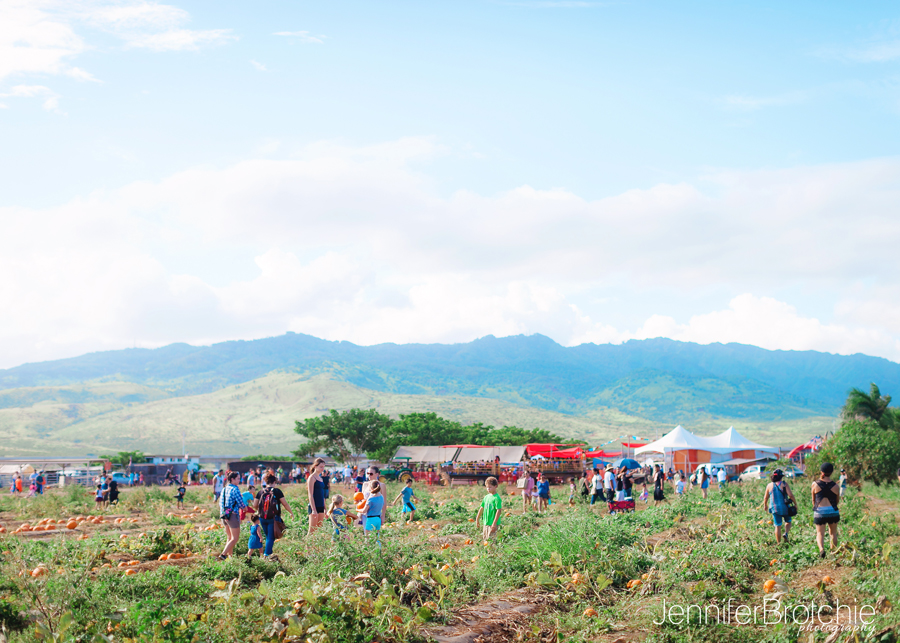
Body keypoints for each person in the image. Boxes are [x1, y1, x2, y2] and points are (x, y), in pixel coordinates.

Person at [255, 473, 294, 561]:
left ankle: (270, 555)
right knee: (271, 538)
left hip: (262, 518)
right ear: (274, 482)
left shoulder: (260, 492)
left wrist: (262, 510)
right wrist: (291, 512)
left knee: (268, 537)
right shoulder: (277, 491)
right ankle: (266, 556)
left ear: (266, 482)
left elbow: (255, 505)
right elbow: (285, 504)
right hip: (273, 518)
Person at [812, 462, 840, 558]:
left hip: (820, 511)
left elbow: (813, 500)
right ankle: (833, 553)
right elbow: (837, 501)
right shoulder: (836, 486)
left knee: (820, 533)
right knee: (833, 533)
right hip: (833, 511)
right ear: (831, 472)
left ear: (821, 472)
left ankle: (821, 550)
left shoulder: (815, 484)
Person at [761, 469, 797, 545]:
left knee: (777, 526)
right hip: (785, 508)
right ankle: (786, 533)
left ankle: (778, 543)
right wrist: (795, 504)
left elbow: (766, 497)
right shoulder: (784, 484)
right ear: (781, 477)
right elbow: (790, 495)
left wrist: (765, 505)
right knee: (788, 521)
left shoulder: (769, 485)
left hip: (774, 508)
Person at [217, 471, 246, 560]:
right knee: (235, 538)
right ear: (232, 479)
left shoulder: (224, 489)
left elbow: (220, 503)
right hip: (232, 516)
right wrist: (245, 508)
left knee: (229, 537)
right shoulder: (235, 489)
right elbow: (241, 503)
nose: (239, 480)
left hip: (224, 515)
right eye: (238, 479)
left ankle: (230, 558)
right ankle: (223, 554)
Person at [475, 476, 502, 542]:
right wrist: (477, 519)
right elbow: (482, 508)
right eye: (487, 487)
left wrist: (494, 524)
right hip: (486, 523)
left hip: (492, 524)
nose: (488, 489)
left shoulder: (497, 498)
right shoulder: (486, 497)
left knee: (491, 541)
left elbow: (499, 511)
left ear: (495, 486)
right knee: (485, 540)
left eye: (490, 487)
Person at [307, 458, 327, 535]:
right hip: (314, 506)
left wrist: (325, 508)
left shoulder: (321, 478)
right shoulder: (312, 478)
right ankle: (306, 543)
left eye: (323, 467)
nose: (322, 468)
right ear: (315, 466)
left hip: (321, 506)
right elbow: (310, 495)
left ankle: (314, 544)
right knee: (311, 531)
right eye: (321, 467)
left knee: (318, 530)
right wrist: (313, 509)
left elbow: (322, 496)